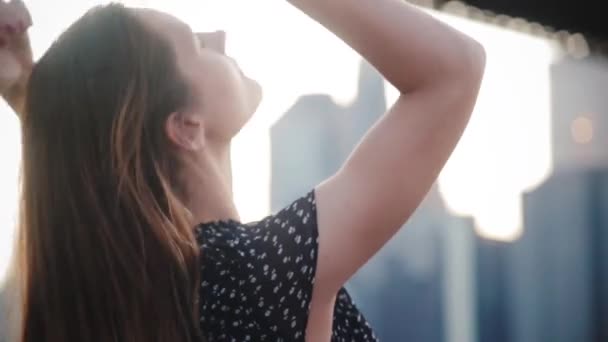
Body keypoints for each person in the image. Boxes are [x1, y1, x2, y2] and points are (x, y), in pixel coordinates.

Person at [0, 0, 485, 341]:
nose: (219, 36)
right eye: (195, 43)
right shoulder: (252, 278)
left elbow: (94, 169)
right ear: (186, 127)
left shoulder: (138, 301)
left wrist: (38, 106)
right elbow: (453, 68)